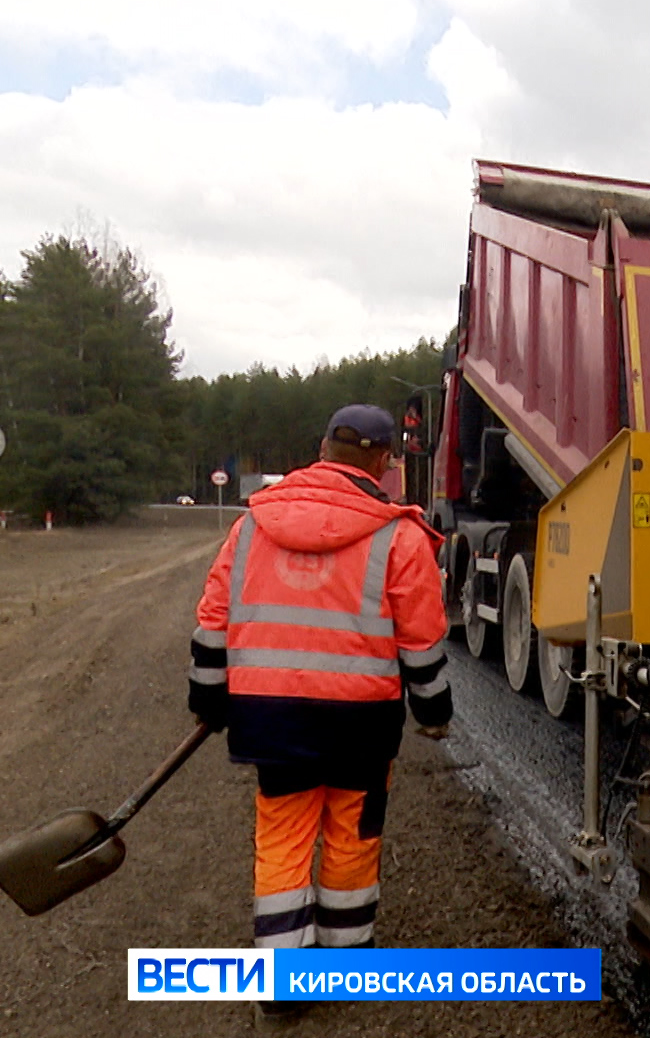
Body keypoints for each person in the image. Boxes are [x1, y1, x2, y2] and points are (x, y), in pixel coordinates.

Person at [187, 405, 453, 955]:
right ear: (382, 461)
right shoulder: (399, 536)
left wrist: (208, 700)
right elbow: (421, 644)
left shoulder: (251, 525)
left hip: (269, 717)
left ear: (323, 448)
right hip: (361, 723)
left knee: (282, 837)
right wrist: (433, 715)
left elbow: (214, 621)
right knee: (353, 834)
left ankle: (283, 977)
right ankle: (345, 954)